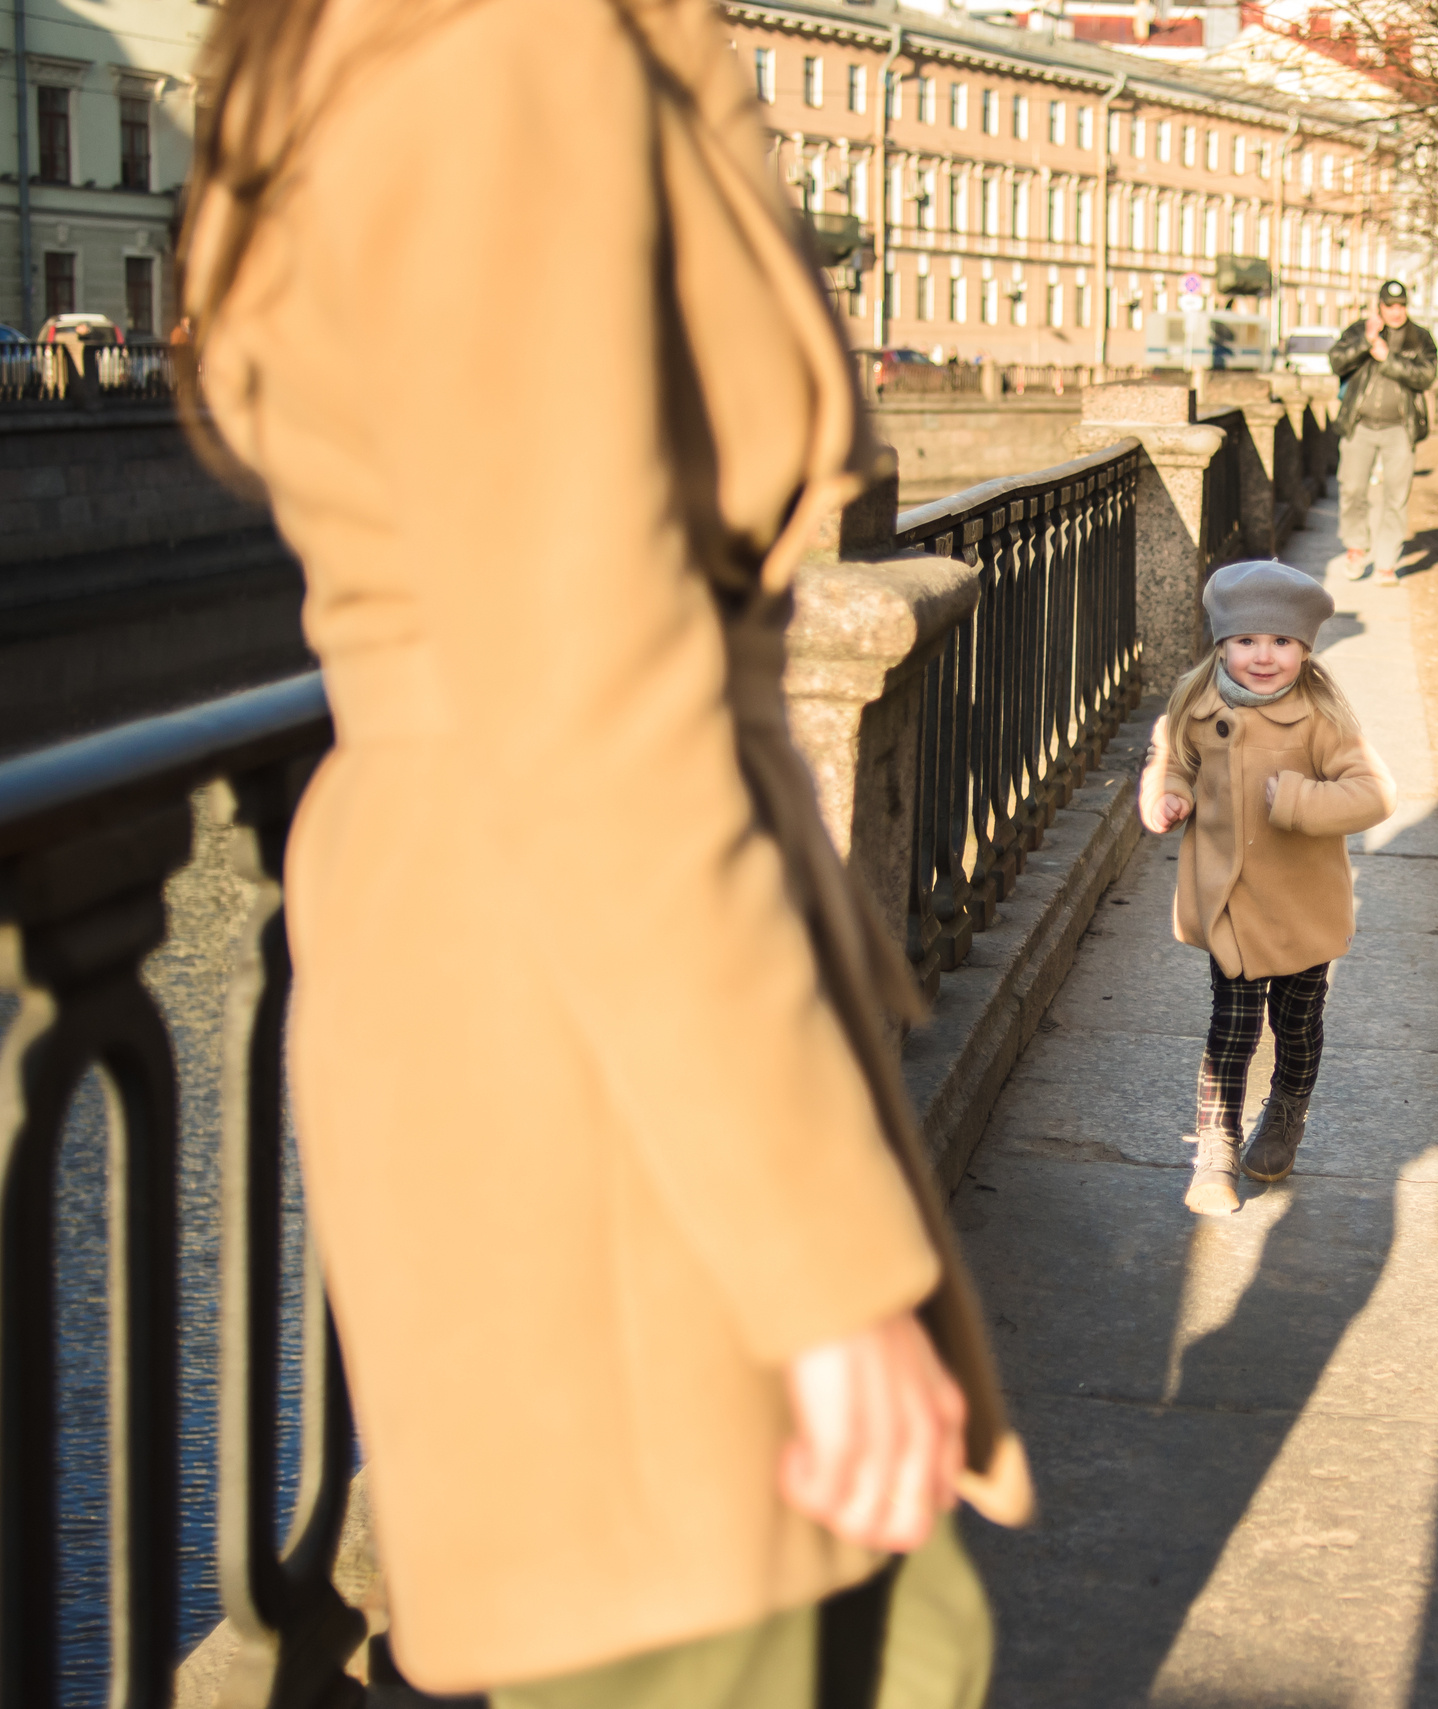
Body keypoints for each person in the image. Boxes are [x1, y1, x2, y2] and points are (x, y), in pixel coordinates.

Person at [178, 0, 1031, 1704]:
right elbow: (589, 706)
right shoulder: (507, 55)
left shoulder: (396, 50)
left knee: (839, 1636)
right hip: (591, 1036)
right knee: (806, 1644)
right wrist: (826, 1275)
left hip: (536, 990)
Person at [1137, 560, 1395, 1215]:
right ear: (1222, 641)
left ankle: (1286, 1109)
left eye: (1281, 642)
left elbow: (1374, 793)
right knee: (1231, 1027)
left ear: (1305, 648)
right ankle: (1213, 1155)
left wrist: (1302, 799)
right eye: (1247, 639)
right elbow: (1173, 765)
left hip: (1303, 907)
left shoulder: (1322, 716)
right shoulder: (1195, 704)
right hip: (1231, 904)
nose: (1263, 656)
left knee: (1297, 1023)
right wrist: (1168, 797)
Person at [1326, 280, 1438, 585]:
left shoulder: (1420, 338)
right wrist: (1366, 341)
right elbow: (1335, 361)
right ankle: (1356, 546)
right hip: (1359, 424)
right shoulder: (1359, 330)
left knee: (1396, 497)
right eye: (1390, 306)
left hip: (1400, 428)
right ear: (1380, 306)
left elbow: (1426, 375)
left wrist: (1387, 358)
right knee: (1351, 489)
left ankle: (1386, 562)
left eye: (1401, 305)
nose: (1396, 311)